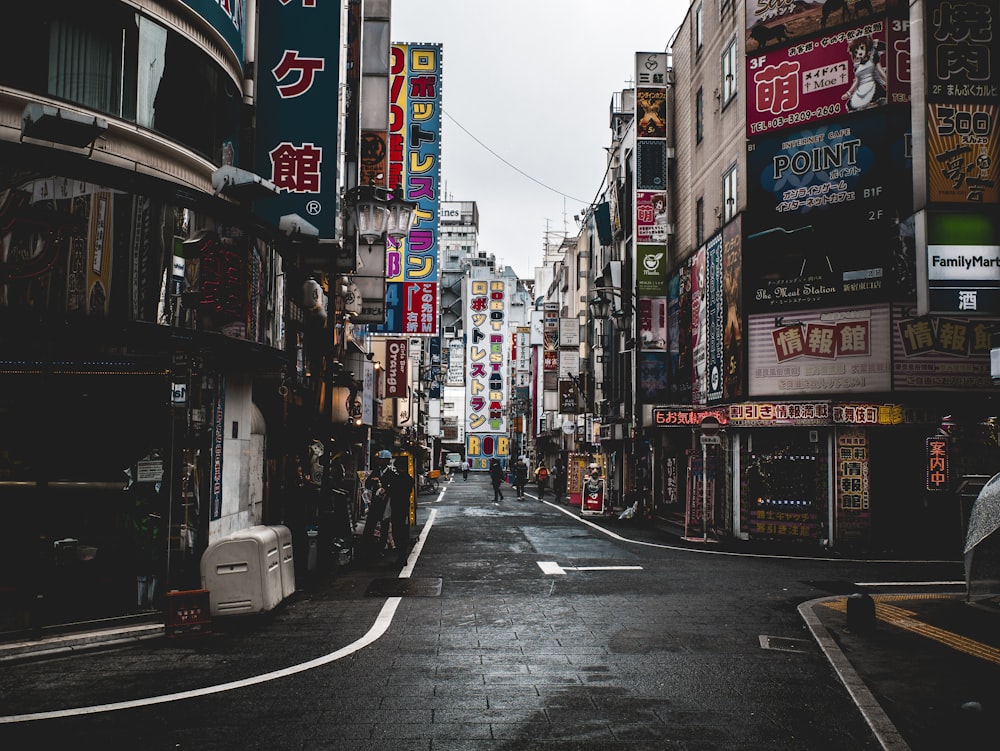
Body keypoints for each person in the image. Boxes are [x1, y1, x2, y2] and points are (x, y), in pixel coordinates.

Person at [386, 457, 415, 565]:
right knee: (402, 532)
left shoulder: (397, 479)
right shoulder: (409, 479)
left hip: (397, 507)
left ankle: (401, 558)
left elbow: (391, 491)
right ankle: (402, 557)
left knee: (397, 532)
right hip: (404, 507)